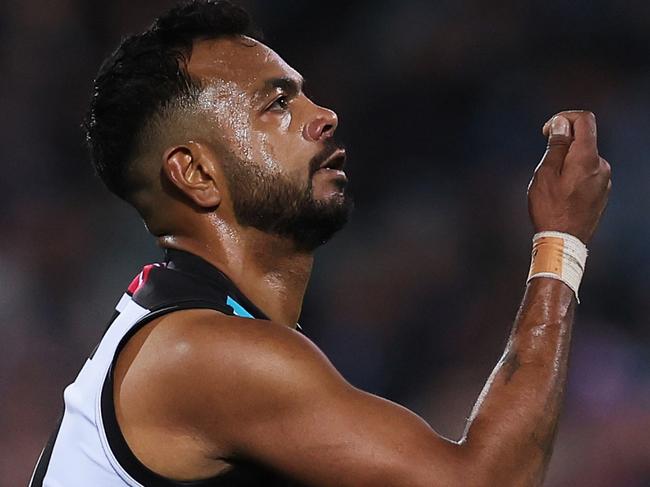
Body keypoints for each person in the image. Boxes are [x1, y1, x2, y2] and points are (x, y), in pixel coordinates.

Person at [30, 1, 612, 486]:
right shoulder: (200, 353)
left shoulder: (197, 333)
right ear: (195, 174)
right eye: (277, 104)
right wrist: (560, 242)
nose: (325, 115)